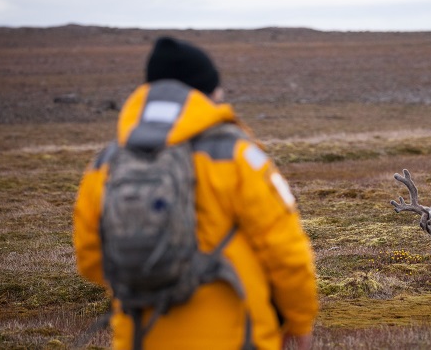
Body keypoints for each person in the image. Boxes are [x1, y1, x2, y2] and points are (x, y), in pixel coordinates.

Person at [73, 36, 318, 349]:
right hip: (236, 338)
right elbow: (287, 252)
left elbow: (90, 261)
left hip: (141, 338)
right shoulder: (237, 157)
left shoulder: (106, 164)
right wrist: (300, 320)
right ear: (206, 92)